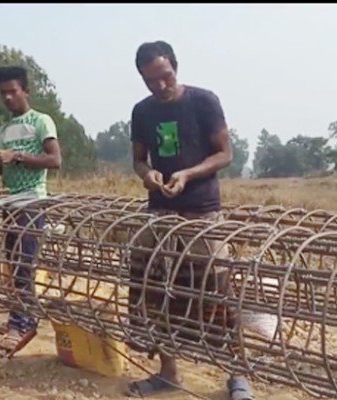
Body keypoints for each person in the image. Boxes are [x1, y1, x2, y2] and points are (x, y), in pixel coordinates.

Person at [127, 41, 252, 400]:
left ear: (175, 67)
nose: (160, 86)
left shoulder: (203, 101)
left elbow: (225, 154)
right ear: (142, 79)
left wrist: (188, 174)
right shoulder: (142, 112)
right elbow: (138, 159)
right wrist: (147, 174)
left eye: (165, 76)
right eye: (151, 81)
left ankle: (237, 374)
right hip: (160, 211)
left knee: (217, 290)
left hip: (202, 210)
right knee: (159, 291)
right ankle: (168, 372)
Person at [0, 66, 62, 355]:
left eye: (12, 92)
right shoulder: (4, 129)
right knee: (14, 264)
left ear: (25, 91)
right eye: (2, 93)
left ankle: (24, 322)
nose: (7, 98)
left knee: (24, 264)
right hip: (11, 202)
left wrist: (15, 155)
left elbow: (54, 160)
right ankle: (18, 319)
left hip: (33, 202)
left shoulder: (41, 121)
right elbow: (3, 171)